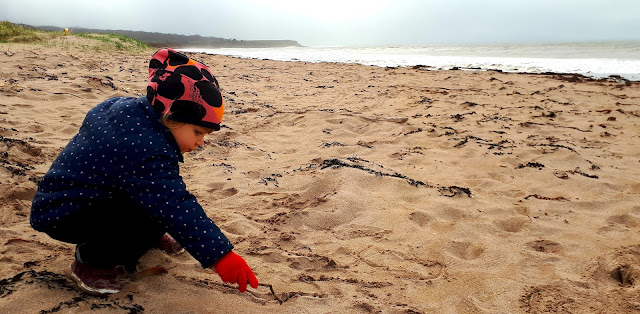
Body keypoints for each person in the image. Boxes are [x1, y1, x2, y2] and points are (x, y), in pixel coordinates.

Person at [30, 48, 258, 295]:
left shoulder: (128, 111)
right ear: (171, 117)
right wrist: (220, 256)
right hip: (65, 213)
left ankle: (145, 236)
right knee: (156, 205)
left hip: (80, 198)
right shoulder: (144, 146)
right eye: (198, 132)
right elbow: (174, 204)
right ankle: (89, 262)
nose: (200, 142)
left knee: (151, 199)